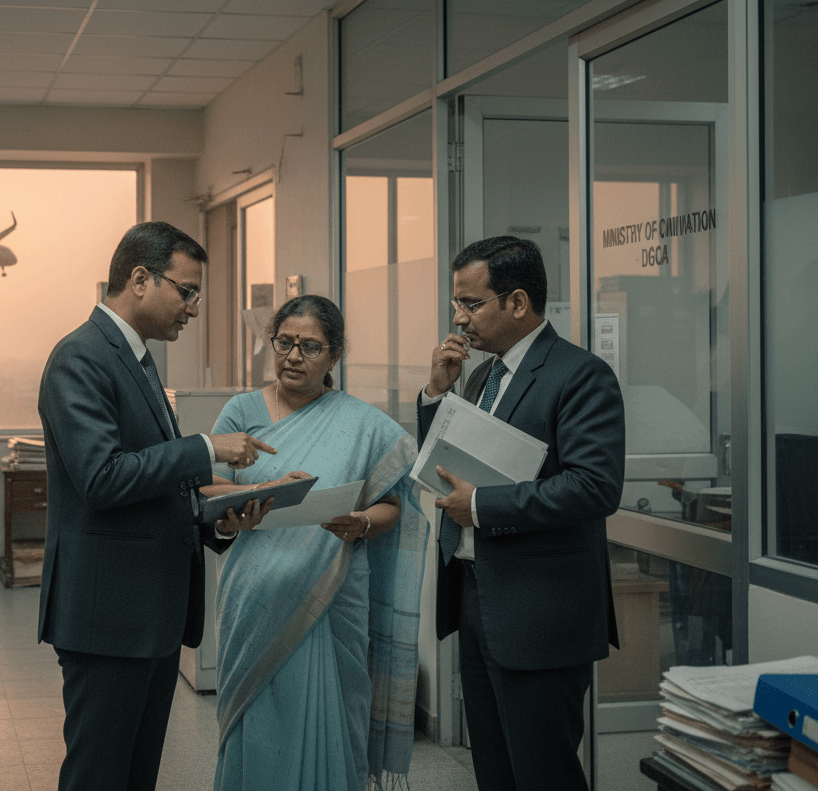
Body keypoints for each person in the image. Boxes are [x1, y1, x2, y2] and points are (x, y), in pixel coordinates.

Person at [37, 221, 276, 791]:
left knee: (135, 775)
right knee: (99, 775)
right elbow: (102, 478)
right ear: (141, 279)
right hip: (109, 618)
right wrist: (204, 448)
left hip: (150, 614)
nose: (193, 308)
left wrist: (221, 513)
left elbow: (154, 485)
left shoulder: (137, 358)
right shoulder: (80, 357)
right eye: (186, 291)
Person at [417, 236, 625, 791]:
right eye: (456, 303)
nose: (459, 319)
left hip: (541, 611)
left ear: (517, 302)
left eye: (471, 304)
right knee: (495, 767)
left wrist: (481, 505)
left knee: (542, 773)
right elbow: (446, 464)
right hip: (477, 596)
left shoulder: (579, 375)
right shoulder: (481, 377)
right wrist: (436, 395)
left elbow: (594, 487)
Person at [207, 294, 428, 791]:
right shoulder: (242, 410)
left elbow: (393, 505)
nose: (293, 356)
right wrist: (258, 494)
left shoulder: (363, 424)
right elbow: (207, 487)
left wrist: (362, 522)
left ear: (335, 355)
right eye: (284, 342)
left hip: (333, 597)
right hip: (254, 595)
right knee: (256, 719)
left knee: (334, 720)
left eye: (309, 347)